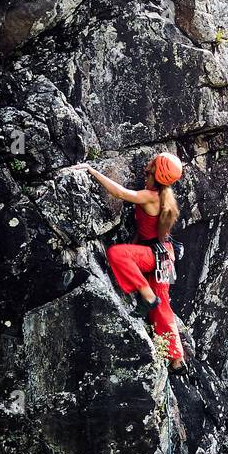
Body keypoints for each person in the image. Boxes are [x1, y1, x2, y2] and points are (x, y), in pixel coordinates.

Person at [77, 152, 186, 364]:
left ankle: (147, 296)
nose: (148, 163)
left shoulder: (150, 196)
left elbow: (120, 193)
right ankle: (177, 359)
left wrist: (91, 171)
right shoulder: (163, 195)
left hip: (157, 254)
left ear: (155, 172)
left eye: (152, 163)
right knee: (163, 307)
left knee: (117, 254)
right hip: (164, 254)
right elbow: (146, 232)